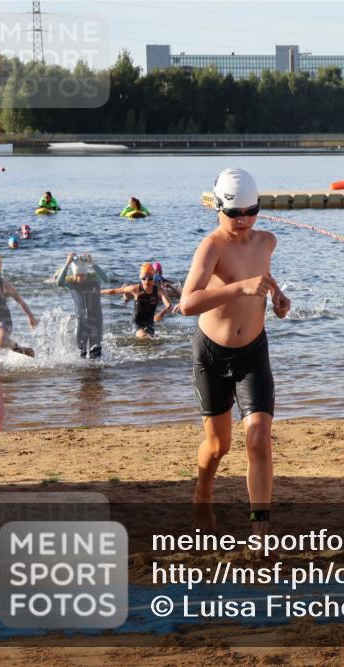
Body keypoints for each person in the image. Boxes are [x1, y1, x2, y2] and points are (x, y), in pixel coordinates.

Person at [179, 167, 290, 534]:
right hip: (211, 355)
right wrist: (239, 288)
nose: (243, 221)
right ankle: (203, 491)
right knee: (218, 446)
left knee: (258, 437)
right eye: (234, 213)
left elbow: (264, 281)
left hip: (252, 354)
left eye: (250, 211)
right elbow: (187, 303)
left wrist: (278, 299)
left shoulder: (267, 242)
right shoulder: (211, 246)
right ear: (218, 208)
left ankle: (261, 529)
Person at [54, 252, 109, 359]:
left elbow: (106, 279)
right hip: (81, 319)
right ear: (73, 274)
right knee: (81, 351)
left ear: (86, 272)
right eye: (77, 276)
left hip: (96, 319)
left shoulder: (94, 279)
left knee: (96, 351)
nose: (79, 279)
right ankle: (83, 373)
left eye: (82, 275)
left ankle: (95, 373)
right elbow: (59, 283)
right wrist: (67, 264)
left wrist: (92, 263)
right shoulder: (71, 282)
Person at [101, 263, 172, 338]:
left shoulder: (159, 290)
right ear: (140, 277)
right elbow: (114, 291)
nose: (147, 281)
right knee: (145, 338)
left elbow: (169, 305)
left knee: (153, 343)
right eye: (144, 278)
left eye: (150, 278)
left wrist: (162, 313)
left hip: (149, 322)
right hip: (137, 321)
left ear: (154, 277)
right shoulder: (135, 289)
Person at [0, 253, 37, 357]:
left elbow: (20, 300)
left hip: (3, 320)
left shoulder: (3, 284)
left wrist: (30, 316)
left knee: (0, 341)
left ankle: (20, 349)